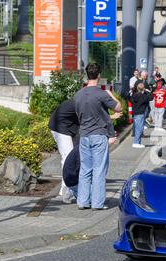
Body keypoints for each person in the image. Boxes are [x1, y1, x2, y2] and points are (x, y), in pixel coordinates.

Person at [74, 63, 122, 211]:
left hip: (84, 135)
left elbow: (77, 114)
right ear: (99, 75)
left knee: (85, 169)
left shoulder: (78, 94)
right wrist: (110, 95)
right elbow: (119, 107)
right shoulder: (101, 94)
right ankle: (97, 203)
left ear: (86, 75)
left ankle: (82, 201)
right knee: (99, 170)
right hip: (99, 135)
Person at [49, 99, 80, 199]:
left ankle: (73, 186)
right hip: (60, 127)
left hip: (69, 128)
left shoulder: (84, 100)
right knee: (67, 156)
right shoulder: (81, 102)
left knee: (75, 157)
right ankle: (65, 188)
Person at [130, 82, 153, 148]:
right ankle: (136, 142)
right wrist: (148, 91)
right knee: (139, 129)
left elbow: (129, 97)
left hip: (135, 113)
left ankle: (138, 142)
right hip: (140, 114)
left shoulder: (134, 95)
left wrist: (131, 91)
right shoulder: (143, 96)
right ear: (143, 89)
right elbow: (151, 97)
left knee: (137, 128)